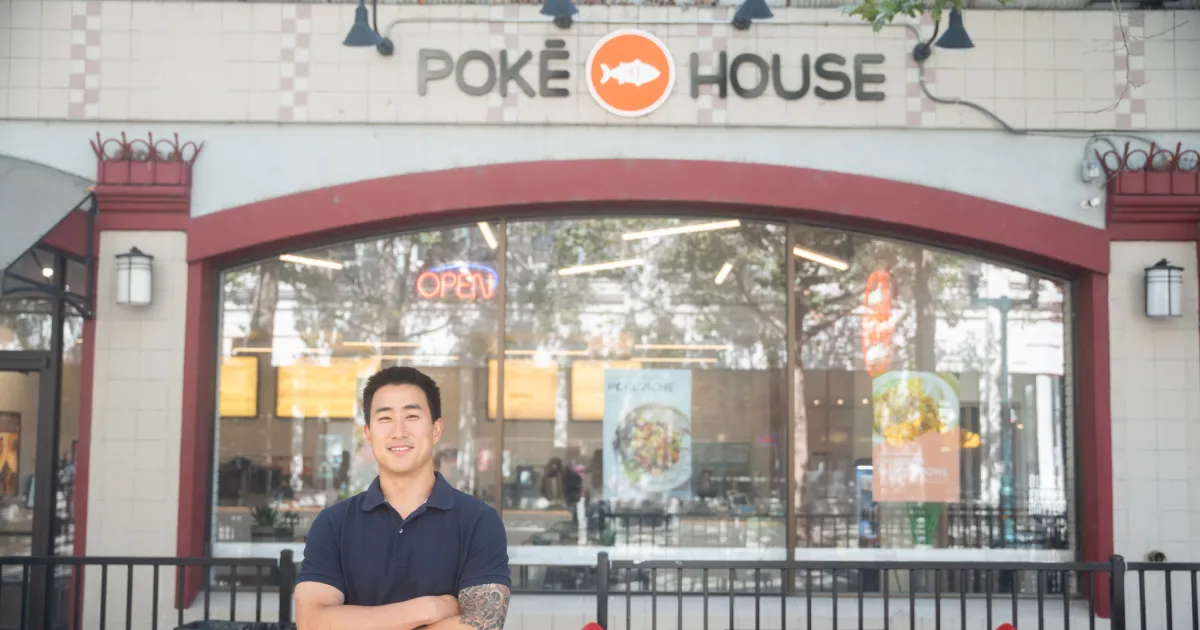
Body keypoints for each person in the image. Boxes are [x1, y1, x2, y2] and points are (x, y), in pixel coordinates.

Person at [295, 366, 511, 630]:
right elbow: (311, 623)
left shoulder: (478, 521)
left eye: (411, 415)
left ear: (436, 429)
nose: (399, 431)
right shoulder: (333, 524)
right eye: (385, 418)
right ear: (368, 433)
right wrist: (428, 608)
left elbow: (482, 624)